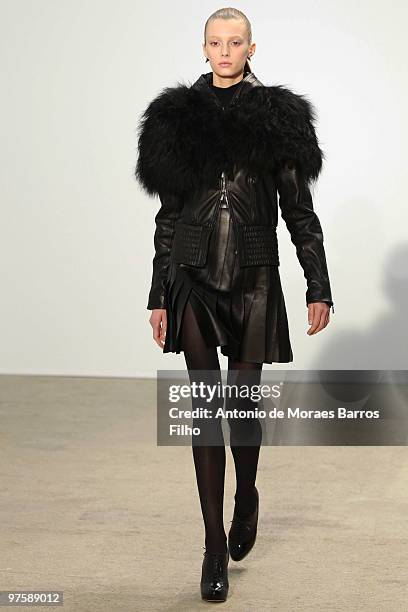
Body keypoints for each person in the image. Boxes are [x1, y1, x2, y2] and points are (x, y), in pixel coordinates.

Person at [135, 7, 334, 604]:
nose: (224, 52)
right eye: (215, 43)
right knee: (204, 410)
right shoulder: (175, 119)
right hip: (191, 275)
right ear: (203, 49)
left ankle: (246, 494)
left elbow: (298, 209)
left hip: (252, 273)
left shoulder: (280, 119)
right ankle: (212, 548)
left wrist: (317, 284)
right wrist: (156, 295)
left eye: (235, 42)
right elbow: (168, 216)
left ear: (252, 47)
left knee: (242, 409)